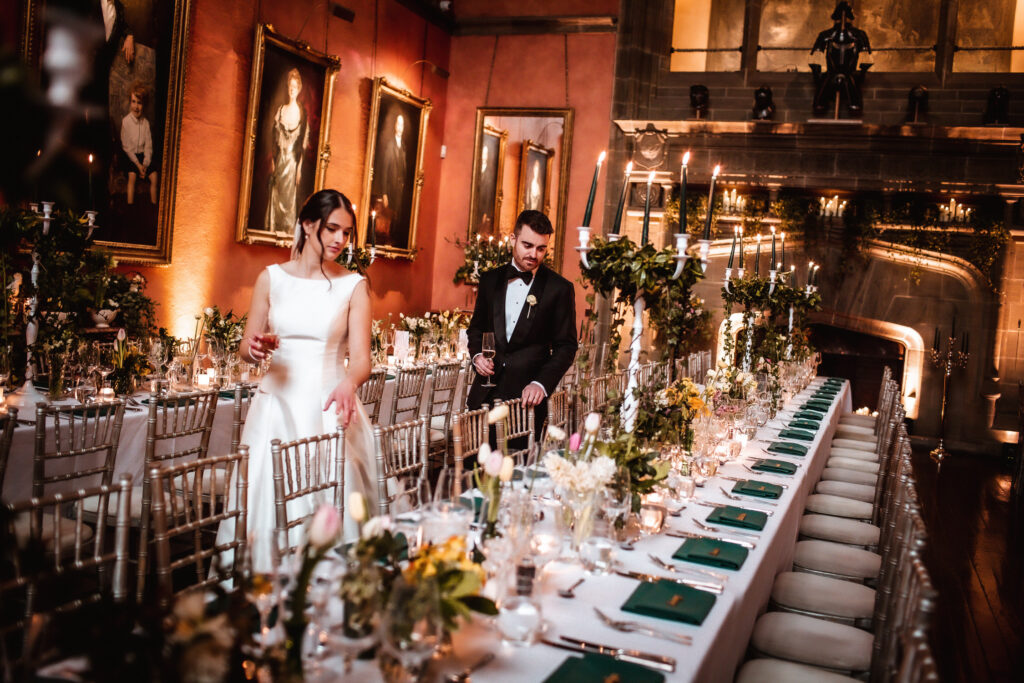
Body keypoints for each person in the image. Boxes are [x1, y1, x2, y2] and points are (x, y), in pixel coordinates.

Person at [217, 189, 377, 572]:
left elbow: (363, 360)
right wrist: (255, 349)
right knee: (261, 496)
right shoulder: (270, 279)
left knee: (328, 497)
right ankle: (255, 589)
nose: (340, 239)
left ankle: (328, 592)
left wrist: (349, 383)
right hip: (275, 405)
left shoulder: (353, 285)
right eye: (332, 229)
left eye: (347, 233)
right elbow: (245, 346)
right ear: (307, 225)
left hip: (327, 405)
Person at [466, 210, 578, 444]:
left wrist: (540, 383)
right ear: (513, 239)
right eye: (527, 245)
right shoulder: (490, 280)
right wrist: (477, 356)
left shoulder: (559, 289)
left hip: (526, 405)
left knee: (517, 474)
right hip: (484, 397)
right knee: (473, 472)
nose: (533, 254)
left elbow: (566, 346)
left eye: (541, 249)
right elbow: (475, 329)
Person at [265, 68, 309, 233]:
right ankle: (273, 228)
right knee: (276, 194)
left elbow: (303, 144)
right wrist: (272, 161)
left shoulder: (302, 114)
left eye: (295, 87)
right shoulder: (281, 110)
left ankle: (288, 232)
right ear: (287, 88)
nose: (292, 90)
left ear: (299, 89)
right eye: (290, 87)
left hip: (292, 162)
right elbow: (273, 140)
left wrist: (299, 168)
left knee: (289, 199)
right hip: (280, 160)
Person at [120, 82, 158, 204]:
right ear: (130, 102)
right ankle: (130, 207)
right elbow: (126, 147)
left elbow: (148, 146)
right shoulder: (126, 122)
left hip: (143, 157)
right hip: (130, 157)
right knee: (132, 176)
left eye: (139, 103)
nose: (136, 107)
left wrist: (145, 164)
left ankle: (154, 207)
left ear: (144, 105)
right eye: (134, 102)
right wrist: (138, 165)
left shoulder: (145, 123)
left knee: (155, 177)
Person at [376, 111, 408, 244]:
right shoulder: (390, 145)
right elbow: (384, 170)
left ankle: (393, 240)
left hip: (399, 191)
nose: (400, 127)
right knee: (387, 220)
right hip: (390, 190)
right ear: (395, 126)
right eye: (398, 124)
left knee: (396, 219)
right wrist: (384, 193)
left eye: (402, 124)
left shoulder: (404, 147)